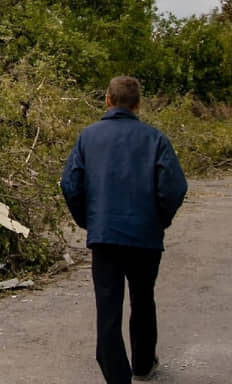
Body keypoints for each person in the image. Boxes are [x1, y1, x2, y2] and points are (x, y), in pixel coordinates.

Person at [60, 76, 187, 383]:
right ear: (138, 104)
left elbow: (70, 184)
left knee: (108, 307)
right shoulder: (155, 139)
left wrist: (89, 220)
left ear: (107, 100)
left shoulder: (88, 138)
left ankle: (117, 376)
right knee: (143, 299)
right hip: (145, 236)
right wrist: (160, 219)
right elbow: (174, 187)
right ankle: (143, 364)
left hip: (105, 237)